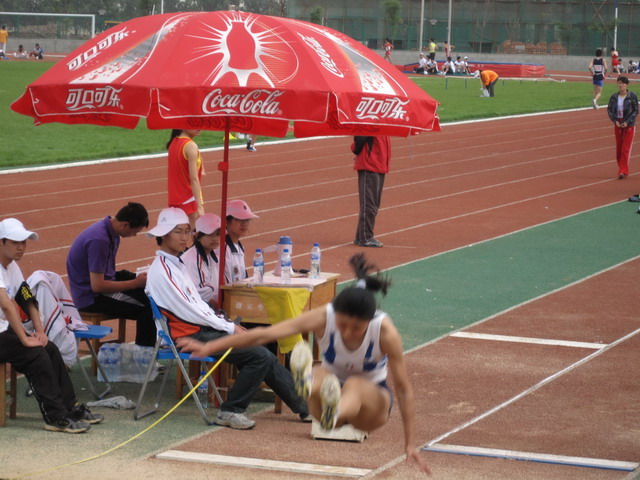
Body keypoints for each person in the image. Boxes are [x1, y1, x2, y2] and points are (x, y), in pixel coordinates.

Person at [178, 253, 432, 475]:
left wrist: (410, 443)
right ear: (335, 313)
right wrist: (209, 347)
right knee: (319, 373)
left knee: (355, 384)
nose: (347, 332)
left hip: (372, 404)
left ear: (370, 320)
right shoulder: (323, 317)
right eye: (342, 324)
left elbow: (403, 389)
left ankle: (334, 408)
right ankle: (318, 394)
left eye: (356, 328)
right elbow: (265, 334)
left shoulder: (384, 331)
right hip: (325, 398)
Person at [145, 207, 311, 429]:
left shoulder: (175, 264)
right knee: (259, 356)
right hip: (189, 335)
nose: (184, 237)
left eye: (186, 231)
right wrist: (229, 327)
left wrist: (227, 325)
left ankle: (305, 407)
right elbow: (191, 309)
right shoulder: (164, 270)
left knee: (260, 350)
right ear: (164, 235)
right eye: (178, 232)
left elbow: (196, 304)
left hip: (199, 328)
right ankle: (230, 410)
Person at [0, 218, 104, 433]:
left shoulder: (12, 266)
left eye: (24, 242)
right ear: (1, 242)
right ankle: (55, 417)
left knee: (50, 348)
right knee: (35, 354)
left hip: (3, 330)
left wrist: (39, 332)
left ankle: (70, 406)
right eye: (15, 242)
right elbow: (7, 306)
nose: (21, 247)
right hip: (2, 332)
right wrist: (24, 338)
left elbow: (26, 297)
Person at [66, 202, 156, 347]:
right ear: (125, 225)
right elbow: (98, 286)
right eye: (135, 231)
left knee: (145, 288)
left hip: (102, 282)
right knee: (149, 307)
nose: (134, 235)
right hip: (91, 297)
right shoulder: (99, 240)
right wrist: (134, 283)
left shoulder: (111, 232)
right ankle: (144, 355)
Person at [352, 136, 390, 248]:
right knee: (369, 204)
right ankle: (366, 237)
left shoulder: (383, 128)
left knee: (373, 204)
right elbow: (357, 144)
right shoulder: (369, 126)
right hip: (370, 166)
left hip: (379, 165)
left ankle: (360, 236)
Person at [166, 129, 205, 229]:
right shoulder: (190, 146)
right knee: (194, 233)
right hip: (188, 198)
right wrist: (199, 206)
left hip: (175, 197)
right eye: (195, 123)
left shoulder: (173, 142)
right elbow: (194, 179)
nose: (200, 127)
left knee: (178, 234)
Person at [181, 213, 221, 308]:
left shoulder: (212, 256)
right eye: (209, 234)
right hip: (195, 309)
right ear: (198, 236)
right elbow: (201, 293)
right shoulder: (193, 259)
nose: (215, 238)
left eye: (218, 234)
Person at [607, 76, 638, 180]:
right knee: (619, 150)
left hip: (629, 125)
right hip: (618, 124)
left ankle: (623, 171)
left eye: (623, 83)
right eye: (619, 83)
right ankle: (622, 167)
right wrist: (614, 120)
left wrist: (627, 122)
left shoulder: (632, 96)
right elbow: (609, 110)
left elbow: (635, 111)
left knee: (625, 149)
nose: (621, 85)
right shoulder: (614, 97)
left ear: (627, 84)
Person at [224, 199, 259, 283]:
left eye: (247, 220)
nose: (245, 224)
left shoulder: (239, 247)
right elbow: (226, 285)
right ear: (226, 222)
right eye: (239, 219)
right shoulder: (223, 249)